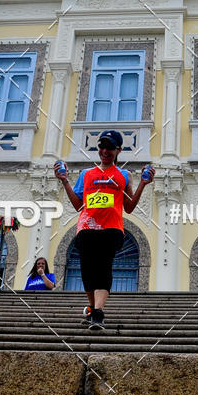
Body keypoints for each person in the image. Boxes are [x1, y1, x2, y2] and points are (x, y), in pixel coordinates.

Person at [54, 129, 154, 331]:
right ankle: (92, 309)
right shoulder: (86, 174)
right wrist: (64, 181)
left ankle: (98, 313)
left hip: (112, 229)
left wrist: (144, 183)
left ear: (118, 150)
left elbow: (129, 207)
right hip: (86, 228)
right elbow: (77, 205)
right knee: (87, 273)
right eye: (102, 146)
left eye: (110, 147)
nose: (105, 151)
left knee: (103, 268)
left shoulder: (124, 175)